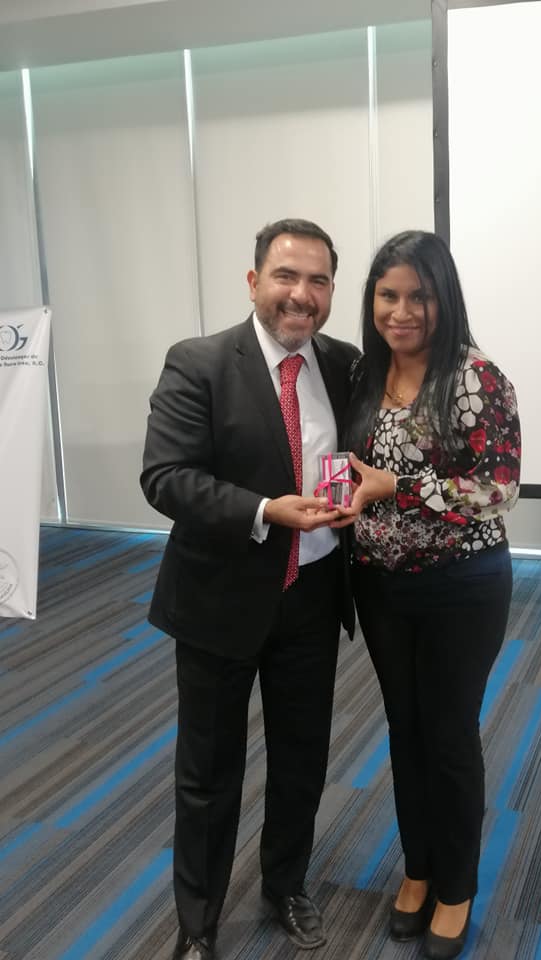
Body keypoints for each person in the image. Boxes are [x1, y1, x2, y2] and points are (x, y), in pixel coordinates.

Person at [140, 218, 359, 960]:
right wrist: (265, 510)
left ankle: (285, 885)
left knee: (302, 757)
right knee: (209, 772)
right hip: (220, 600)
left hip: (314, 593)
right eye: (286, 276)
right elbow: (166, 478)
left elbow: (355, 457)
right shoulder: (199, 363)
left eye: (319, 280)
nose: (302, 294)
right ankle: (198, 922)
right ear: (254, 281)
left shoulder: (344, 363)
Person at [338, 230, 521, 960]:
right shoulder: (364, 372)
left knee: (448, 736)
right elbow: (348, 464)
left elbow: (498, 489)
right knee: (404, 730)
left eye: (419, 296)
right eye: (388, 295)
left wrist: (401, 488)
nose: (402, 311)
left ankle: (456, 885)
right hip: (380, 585)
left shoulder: (477, 378)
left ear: (444, 299)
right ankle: (417, 868)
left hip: (462, 587)